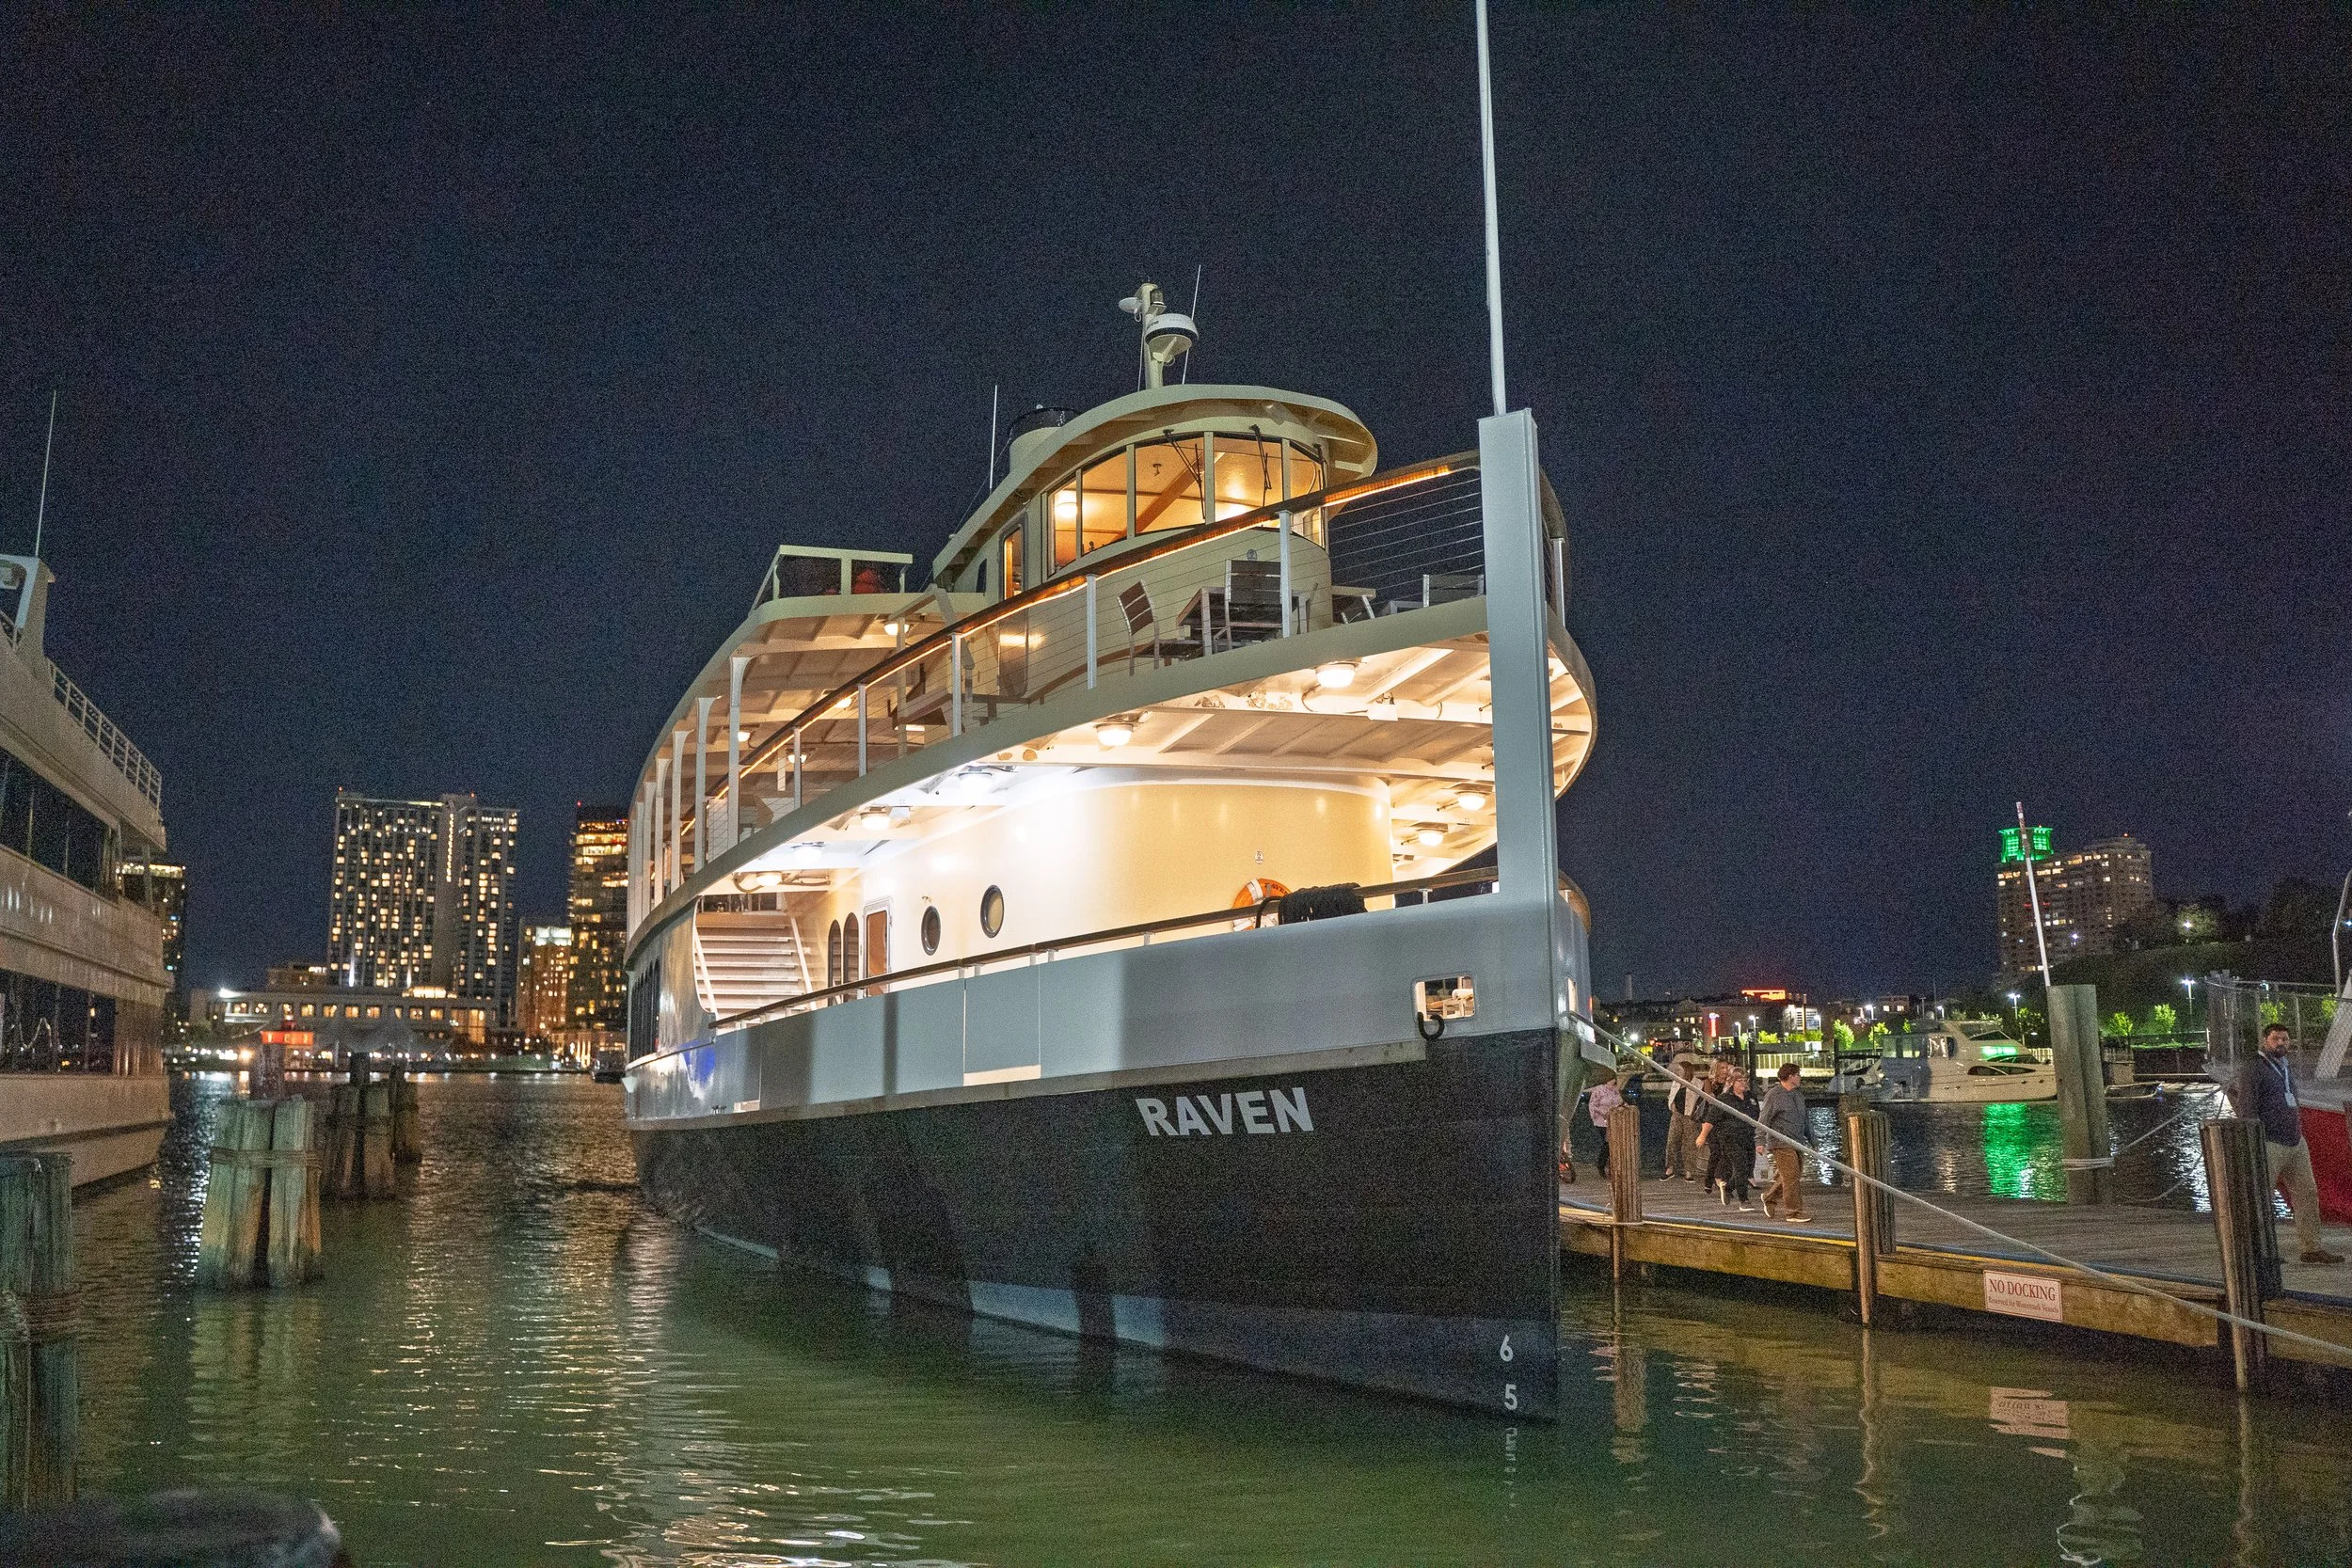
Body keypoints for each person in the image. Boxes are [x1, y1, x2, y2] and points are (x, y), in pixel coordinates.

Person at [2234, 1022, 2344, 1265]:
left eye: (2285, 1039)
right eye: (2276, 1039)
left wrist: (2298, 1132)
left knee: (2307, 1193)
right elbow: (2247, 1107)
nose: (2281, 1043)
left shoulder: (2284, 1066)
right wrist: (2253, 1140)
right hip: (2269, 1141)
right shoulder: (2254, 1068)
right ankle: (2260, 1252)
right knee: (2262, 1197)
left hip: (2295, 1140)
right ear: (2265, 1041)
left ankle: (2311, 1248)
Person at [1697, 1067, 1759, 1210]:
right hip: (1730, 1138)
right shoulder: (1724, 1099)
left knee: (1748, 1168)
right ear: (1732, 1082)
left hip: (1748, 1136)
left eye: (1745, 1080)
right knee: (1740, 1166)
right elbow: (1710, 1119)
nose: (1743, 1083)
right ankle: (1744, 1200)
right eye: (1739, 1081)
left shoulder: (1751, 1097)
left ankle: (1729, 1188)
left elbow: (1757, 1117)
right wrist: (1702, 1136)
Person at [1757, 1062, 1813, 1223]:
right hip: (1780, 1141)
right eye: (1798, 1075)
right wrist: (1760, 1140)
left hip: (1797, 1141)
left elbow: (1805, 1118)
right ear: (1791, 1077)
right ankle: (1793, 1212)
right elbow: (1764, 1119)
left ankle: (1769, 1197)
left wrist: (1812, 1139)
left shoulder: (1798, 1094)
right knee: (1791, 1176)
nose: (1800, 1078)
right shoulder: (1774, 1095)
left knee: (1793, 1175)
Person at [1661, 1060, 1702, 1181]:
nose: (1677, 1072)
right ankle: (1670, 1168)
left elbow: (1700, 1100)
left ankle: (1689, 1171)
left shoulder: (1697, 1083)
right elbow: (1672, 1095)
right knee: (1672, 1141)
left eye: (1680, 1070)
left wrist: (1694, 1112)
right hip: (1677, 1114)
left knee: (1689, 1144)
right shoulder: (1676, 1082)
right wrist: (1672, 1105)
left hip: (1690, 1116)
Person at [1587, 1070, 1625, 1179]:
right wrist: (1603, 1113)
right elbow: (1592, 1105)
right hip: (1602, 1121)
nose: (1612, 1080)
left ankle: (1611, 1166)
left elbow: (1620, 1102)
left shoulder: (1615, 1090)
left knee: (1613, 1143)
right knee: (1607, 1143)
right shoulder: (1599, 1090)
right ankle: (1601, 1165)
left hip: (1614, 1121)